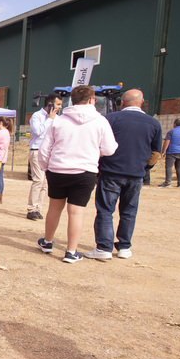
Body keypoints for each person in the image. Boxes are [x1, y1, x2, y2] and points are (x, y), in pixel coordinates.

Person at [36, 84, 118, 263]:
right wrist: (96, 152)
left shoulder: (58, 120)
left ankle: (48, 242)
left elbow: (44, 149)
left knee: (54, 208)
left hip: (58, 170)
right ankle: (71, 251)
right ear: (91, 100)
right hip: (84, 171)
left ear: (70, 101)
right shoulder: (100, 121)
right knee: (76, 212)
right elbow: (110, 149)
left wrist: (47, 167)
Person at [85, 89, 162, 261]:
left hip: (111, 172)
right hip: (136, 174)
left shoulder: (110, 119)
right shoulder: (153, 123)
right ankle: (124, 246)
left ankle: (104, 247)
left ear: (122, 103)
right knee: (129, 211)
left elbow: (98, 145)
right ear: (142, 102)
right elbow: (156, 152)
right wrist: (145, 168)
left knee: (105, 210)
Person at [27, 93, 61, 220]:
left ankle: (37, 208)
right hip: (37, 150)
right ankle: (31, 208)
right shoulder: (37, 116)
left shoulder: (58, 118)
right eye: (58, 104)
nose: (60, 107)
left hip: (50, 152)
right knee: (38, 180)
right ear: (50, 104)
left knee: (45, 183)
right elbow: (38, 131)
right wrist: (50, 119)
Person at [159, 118, 180, 187]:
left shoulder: (171, 132)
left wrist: (163, 151)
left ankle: (168, 182)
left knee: (169, 167)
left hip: (172, 151)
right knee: (179, 167)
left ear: (175, 124)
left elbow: (167, 142)